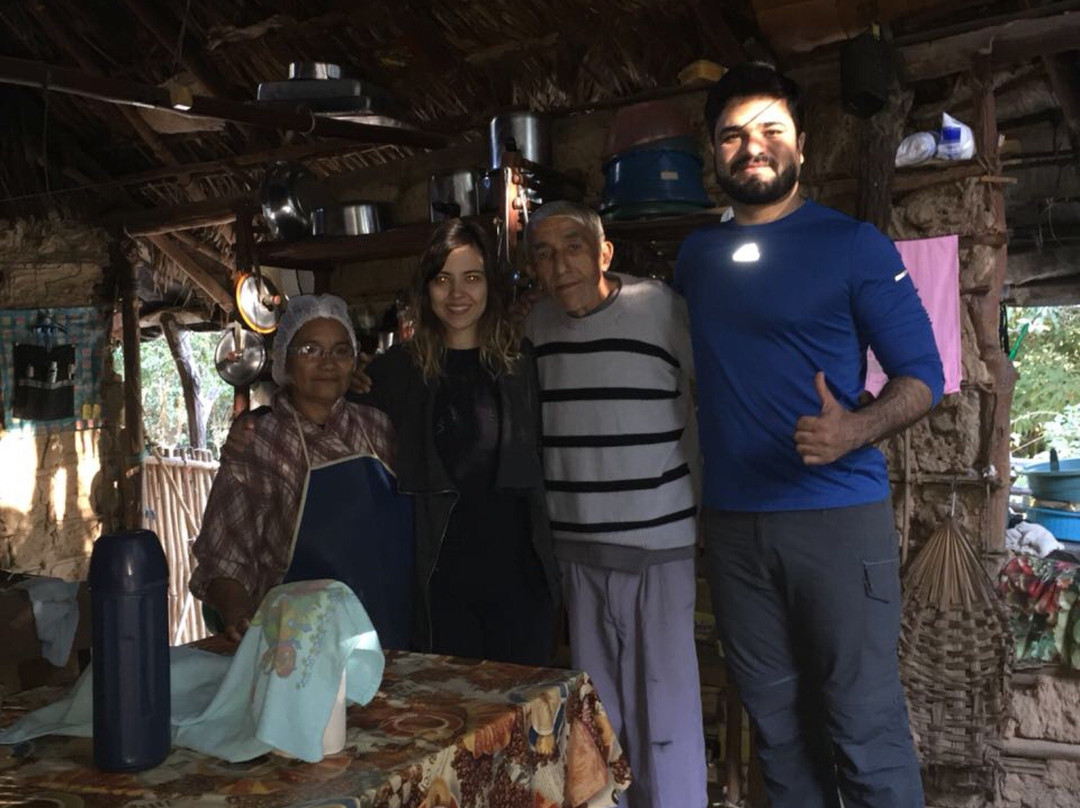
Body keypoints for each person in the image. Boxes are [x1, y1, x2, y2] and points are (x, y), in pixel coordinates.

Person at [674, 63, 944, 808]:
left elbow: (924, 377)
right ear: (714, 152)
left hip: (834, 519)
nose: (751, 147)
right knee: (777, 729)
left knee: (861, 722)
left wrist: (856, 428)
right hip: (733, 527)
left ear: (802, 144)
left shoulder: (853, 245)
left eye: (769, 131)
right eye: (732, 135)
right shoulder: (696, 259)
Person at [521, 200, 706, 808]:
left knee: (667, 714)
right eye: (544, 253)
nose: (560, 264)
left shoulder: (660, 307)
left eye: (573, 246)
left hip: (659, 543)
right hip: (578, 549)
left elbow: (710, 397)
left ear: (605, 252)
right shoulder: (535, 327)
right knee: (598, 718)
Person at [352, 218, 559, 665]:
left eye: (472, 278)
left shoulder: (520, 365)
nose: (457, 293)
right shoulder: (397, 372)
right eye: (443, 279)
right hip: (439, 581)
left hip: (518, 576)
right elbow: (338, 420)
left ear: (491, 285)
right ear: (426, 290)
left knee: (521, 718)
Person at [189, 294, 413, 648]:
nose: (327, 363)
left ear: (355, 360)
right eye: (310, 350)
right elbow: (224, 558)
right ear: (283, 362)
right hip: (296, 648)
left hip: (391, 635)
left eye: (340, 351)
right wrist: (238, 616)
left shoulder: (379, 426)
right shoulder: (257, 442)